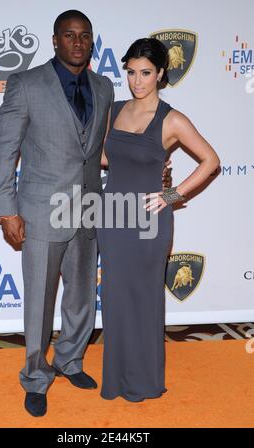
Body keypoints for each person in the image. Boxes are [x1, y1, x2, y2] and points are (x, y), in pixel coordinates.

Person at [0, 11, 172, 416]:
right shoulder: (26, 83)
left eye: (85, 36)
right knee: (39, 298)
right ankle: (36, 377)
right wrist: (6, 210)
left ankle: (70, 360)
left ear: (92, 42)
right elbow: (5, 148)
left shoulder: (104, 86)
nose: (78, 42)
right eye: (69, 35)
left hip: (92, 208)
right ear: (55, 40)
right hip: (40, 209)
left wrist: (153, 164)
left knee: (80, 295)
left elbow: (112, 147)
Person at [97, 38, 220, 402]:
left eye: (146, 73)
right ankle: (116, 380)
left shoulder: (173, 119)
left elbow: (211, 161)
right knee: (116, 298)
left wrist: (171, 193)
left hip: (149, 224)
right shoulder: (114, 110)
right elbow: (105, 159)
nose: (137, 81)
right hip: (112, 217)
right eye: (131, 72)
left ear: (161, 74)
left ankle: (144, 381)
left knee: (145, 298)